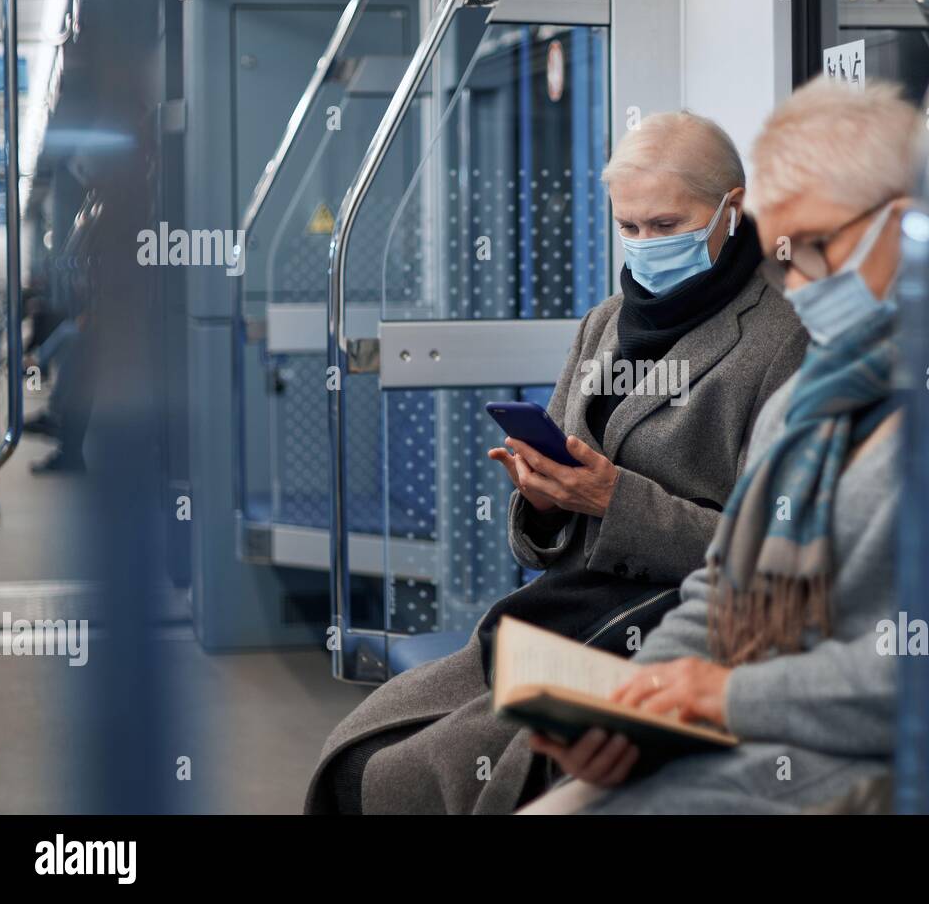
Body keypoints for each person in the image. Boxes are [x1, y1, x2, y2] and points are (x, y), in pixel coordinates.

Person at [517, 79, 929, 814]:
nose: (798, 283)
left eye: (814, 247)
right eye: (783, 255)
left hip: (916, 765)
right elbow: (723, 591)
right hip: (774, 738)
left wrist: (731, 694)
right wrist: (638, 703)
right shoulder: (812, 398)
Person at [306, 111, 807, 814]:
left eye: (665, 226)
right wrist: (542, 500)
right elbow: (548, 540)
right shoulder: (604, 324)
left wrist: (612, 499)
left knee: (406, 777)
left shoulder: (779, 341)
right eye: (628, 227)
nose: (643, 246)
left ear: (732, 206)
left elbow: (768, 554)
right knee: (361, 754)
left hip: (667, 628)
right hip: (567, 608)